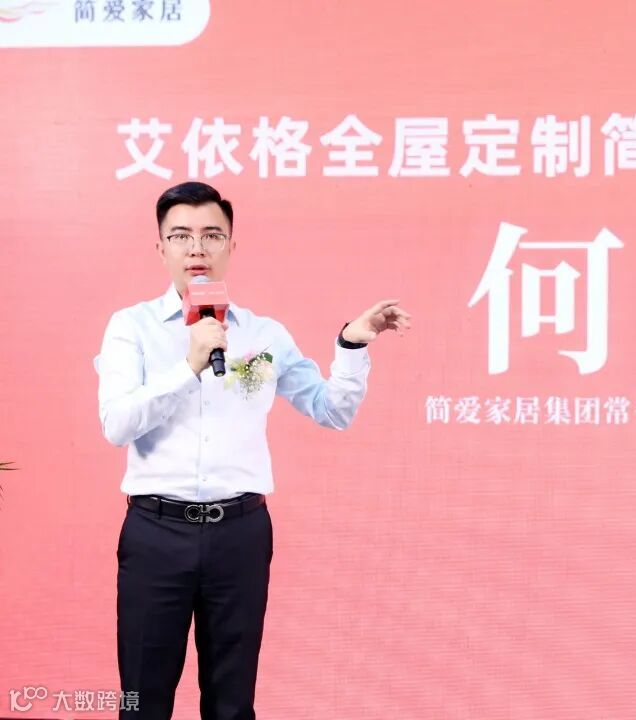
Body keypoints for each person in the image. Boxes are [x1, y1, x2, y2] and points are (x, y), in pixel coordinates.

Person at [92, 182, 411, 720]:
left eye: (212, 235)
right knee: (142, 699)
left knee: (232, 702)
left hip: (239, 535)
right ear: (161, 248)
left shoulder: (265, 335)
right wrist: (189, 366)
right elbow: (117, 425)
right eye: (181, 236)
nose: (197, 248)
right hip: (156, 533)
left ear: (231, 245)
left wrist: (352, 344)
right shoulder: (132, 328)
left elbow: (331, 410)